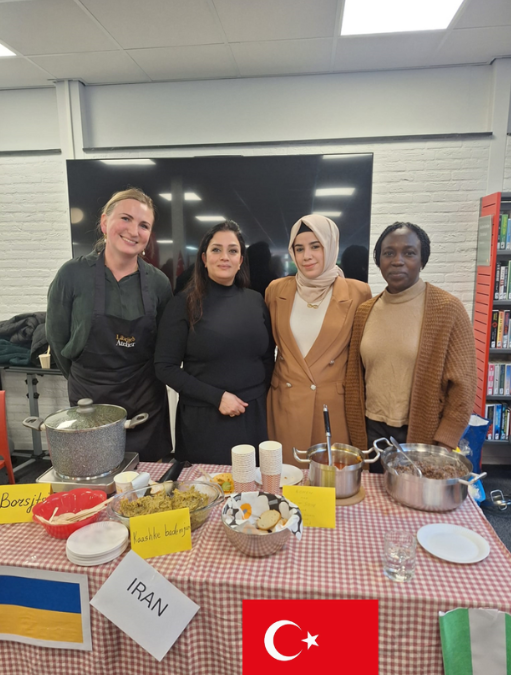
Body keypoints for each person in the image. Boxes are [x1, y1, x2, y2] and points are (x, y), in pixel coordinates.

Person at [46, 188, 173, 462]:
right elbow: (56, 340)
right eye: (125, 219)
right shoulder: (72, 275)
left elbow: (166, 347)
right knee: (96, 477)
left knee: (150, 489)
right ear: (105, 223)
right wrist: (88, 379)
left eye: (144, 225)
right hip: (90, 402)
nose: (134, 231)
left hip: (145, 401)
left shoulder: (160, 283)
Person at [345, 222, 477, 471]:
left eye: (409, 252)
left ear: (422, 260)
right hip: (370, 431)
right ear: (378, 260)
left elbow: (464, 384)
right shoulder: (365, 311)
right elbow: (355, 377)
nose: (397, 261)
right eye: (388, 253)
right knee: (374, 503)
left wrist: (446, 440)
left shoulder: (447, 309)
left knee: (416, 503)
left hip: (423, 435)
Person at [154, 221, 275, 465]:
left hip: (253, 417)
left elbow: (266, 356)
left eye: (232, 250)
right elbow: (164, 367)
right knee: (207, 494)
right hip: (205, 420)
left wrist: (257, 394)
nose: (224, 257)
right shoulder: (183, 304)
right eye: (216, 250)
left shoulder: (255, 300)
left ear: (241, 260)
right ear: (204, 258)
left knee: (252, 493)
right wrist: (217, 397)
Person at [265, 214, 371, 466]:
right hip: (286, 403)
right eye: (299, 249)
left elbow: (363, 355)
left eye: (316, 246)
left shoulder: (358, 292)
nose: (306, 256)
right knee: (285, 482)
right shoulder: (276, 290)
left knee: (331, 484)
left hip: (333, 406)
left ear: (331, 246)